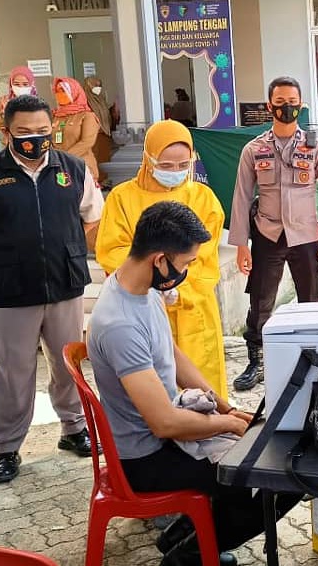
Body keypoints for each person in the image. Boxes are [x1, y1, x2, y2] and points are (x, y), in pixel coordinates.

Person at [88, 202, 302, 566]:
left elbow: (171, 353)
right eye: (185, 262)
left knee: (260, 448)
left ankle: (185, 536)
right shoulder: (118, 324)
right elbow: (166, 424)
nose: (186, 272)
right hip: (145, 460)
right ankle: (186, 559)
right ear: (159, 259)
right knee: (279, 479)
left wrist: (222, 405)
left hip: (162, 437)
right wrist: (229, 426)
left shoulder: (138, 288)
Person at [0, 95, 104, 484]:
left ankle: (73, 430)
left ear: (52, 129)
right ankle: (7, 447)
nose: (33, 139)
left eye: (41, 131)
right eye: (23, 132)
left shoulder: (73, 170)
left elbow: (90, 218)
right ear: (5, 133)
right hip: (10, 292)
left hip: (64, 285)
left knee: (68, 364)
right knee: (12, 372)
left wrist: (61, 248)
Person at [228, 76, 318, 390]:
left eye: (292, 104)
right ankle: (258, 362)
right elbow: (240, 197)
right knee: (261, 301)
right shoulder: (254, 149)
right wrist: (241, 245)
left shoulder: (316, 146)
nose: (286, 109)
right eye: (280, 104)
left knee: (312, 300)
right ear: (269, 106)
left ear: (301, 106)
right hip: (267, 235)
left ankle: (315, 361)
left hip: (305, 236)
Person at [96, 120, 229, 399]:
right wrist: (154, 284)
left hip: (193, 309)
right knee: (153, 388)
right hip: (142, 308)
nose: (176, 173)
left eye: (183, 165)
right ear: (148, 159)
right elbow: (113, 249)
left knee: (201, 385)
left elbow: (204, 257)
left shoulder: (203, 198)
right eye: (166, 166)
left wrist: (180, 288)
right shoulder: (122, 198)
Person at [51, 76, 101, 180]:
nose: (60, 95)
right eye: (58, 91)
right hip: (59, 169)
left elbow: (87, 142)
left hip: (81, 166)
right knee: (62, 194)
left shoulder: (87, 116)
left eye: (63, 91)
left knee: (81, 195)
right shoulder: (55, 116)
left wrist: (64, 158)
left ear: (74, 91)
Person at [83, 76, 118, 185]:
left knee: (104, 158)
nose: (98, 88)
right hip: (94, 136)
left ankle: (104, 180)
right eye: (95, 85)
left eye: (99, 85)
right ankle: (97, 181)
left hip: (104, 135)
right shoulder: (85, 102)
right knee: (95, 159)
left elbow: (107, 116)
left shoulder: (101, 99)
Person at [0, 66, 37, 139]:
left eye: (25, 84)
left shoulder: (37, 103)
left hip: (32, 144)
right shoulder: (4, 101)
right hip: (11, 144)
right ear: (11, 84)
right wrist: (3, 114)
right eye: (17, 84)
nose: (21, 87)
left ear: (32, 84)